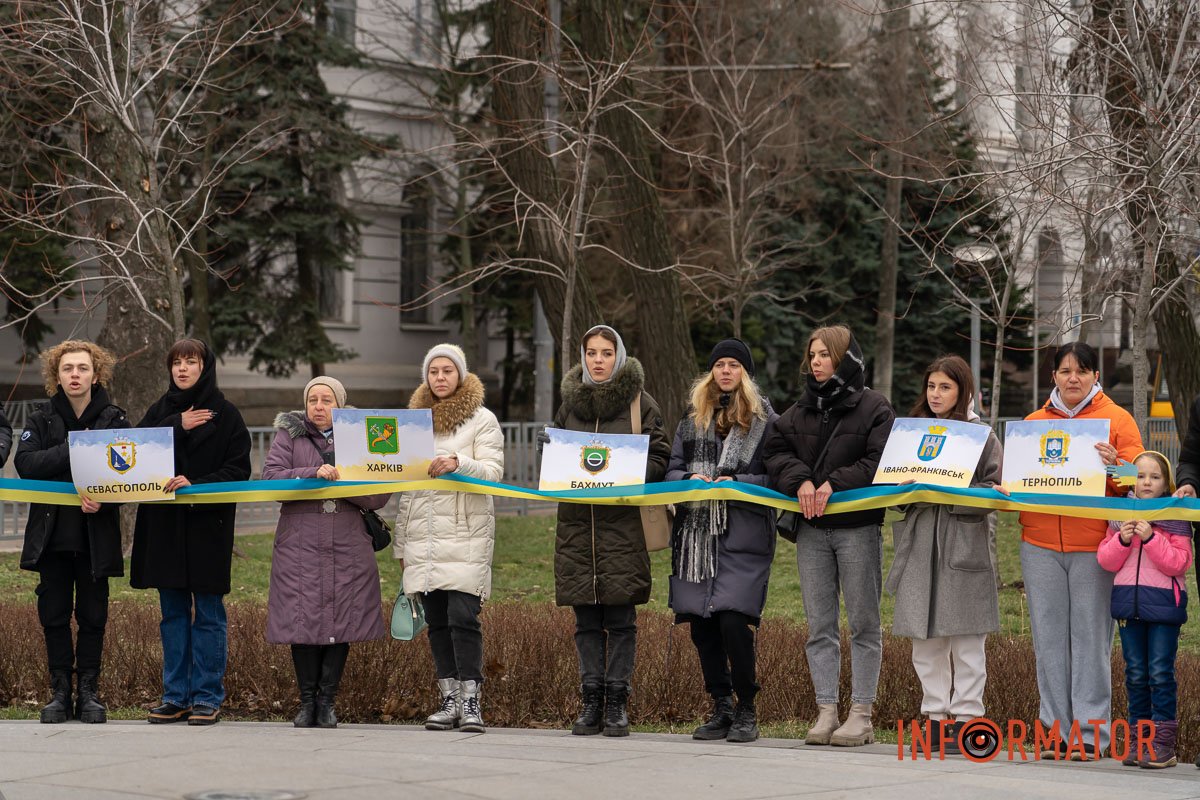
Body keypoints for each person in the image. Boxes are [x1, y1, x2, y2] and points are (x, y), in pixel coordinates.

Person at [763, 325, 895, 747]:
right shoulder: (800, 408)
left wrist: (834, 483)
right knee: (820, 625)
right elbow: (775, 452)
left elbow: (880, 460)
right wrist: (800, 479)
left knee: (863, 623)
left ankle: (861, 713)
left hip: (857, 530)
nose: (816, 362)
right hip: (813, 534)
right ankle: (825, 710)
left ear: (844, 359)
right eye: (813, 355)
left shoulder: (875, 407)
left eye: (824, 355)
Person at [1019, 341, 1142, 759]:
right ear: (1052, 376)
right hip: (1038, 544)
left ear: (1095, 377)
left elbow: (1141, 481)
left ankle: (1091, 736)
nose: (1073, 378)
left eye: (1082, 371)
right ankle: (1054, 732)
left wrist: (1117, 468)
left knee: (1090, 642)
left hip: (1094, 547)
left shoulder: (1117, 419)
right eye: (1065, 371)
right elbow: (1017, 480)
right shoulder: (1033, 423)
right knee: (1048, 641)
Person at [552, 324, 670, 737]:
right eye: (591, 352)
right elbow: (554, 458)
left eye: (605, 352)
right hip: (577, 529)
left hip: (623, 529)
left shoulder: (641, 403)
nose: (597, 360)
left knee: (620, 618)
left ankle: (618, 702)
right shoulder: (569, 405)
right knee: (586, 619)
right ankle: (591, 701)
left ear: (617, 356)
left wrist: (625, 467)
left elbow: (661, 458)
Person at [130, 339, 252, 726]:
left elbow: (238, 470)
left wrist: (195, 484)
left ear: (206, 367)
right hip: (165, 529)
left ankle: (206, 697)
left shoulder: (227, 414)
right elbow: (134, 450)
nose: (182, 369)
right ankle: (175, 696)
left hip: (207, 529)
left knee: (209, 615)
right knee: (173, 615)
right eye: (176, 362)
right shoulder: (160, 411)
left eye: (191, 361)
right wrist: (177, 426)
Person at [885, 355, 1002, 754]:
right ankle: (935, 717)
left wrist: (959, 499)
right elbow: (891, 490)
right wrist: (901, 490)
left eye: (945, 387)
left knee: (967, 638)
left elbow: (995, 489)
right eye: (932, 386)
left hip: (962, 542)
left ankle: (968, 719)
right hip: (920, 543)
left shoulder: (982, 436)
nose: (936, 394)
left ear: (962, 390)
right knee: (925, 637)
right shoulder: (910, 433)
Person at [665, 339, 777, 744]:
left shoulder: (765, 421)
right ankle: (721, 706)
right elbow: (672, 469)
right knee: (701, 626)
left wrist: (738, 483)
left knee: (733, 621)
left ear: (745, 372)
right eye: (719, 365)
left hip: (741, 534)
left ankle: (747, 706)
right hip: (694, 538)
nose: (725, 371)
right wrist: (686, 480)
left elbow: (777, 476)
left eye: (733, 365)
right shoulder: (692, 419)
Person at [264, 376, 392, 728]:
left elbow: (380, 493)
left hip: (347, 541)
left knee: (341, 619)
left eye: (327, 400)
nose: (319, 407)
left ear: (340, 404)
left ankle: (327, 702)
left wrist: (342, 482)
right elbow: (272, 480)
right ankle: (306, 703)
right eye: (313, 400)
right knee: (301, 619)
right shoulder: (288, 435)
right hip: (299, 541)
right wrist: (313, 474)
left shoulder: (363, 437)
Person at [15, 341, 126, 724]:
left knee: (94, 616)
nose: (75, 375)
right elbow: (26, 465)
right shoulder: (41, 418)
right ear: (56, 375)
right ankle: (60, 693)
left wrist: (105, 501)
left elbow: (128, 477)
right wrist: (77, 449)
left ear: (96, 374)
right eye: (67, 369)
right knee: (54, 615)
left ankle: (89, 693)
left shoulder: (115, 420)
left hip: (96, 538)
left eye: (82, 368)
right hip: (52, 538)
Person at [395, 344, 504, 733]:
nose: (440, 378)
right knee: (437, 620)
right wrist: (401, 546)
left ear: (460, 375)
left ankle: (472, 700)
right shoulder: (411, 423)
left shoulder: (482, 419)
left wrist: (460, 464)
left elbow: (493, 472)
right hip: (422, 535)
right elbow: (406, 486)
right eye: (434, 372)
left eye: (448, 371)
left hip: (465, 532)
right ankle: (449, 699)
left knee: (463, 616)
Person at [1097, 451, 1192, 769]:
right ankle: (1140, 741)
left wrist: (1151, 538)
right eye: (1140, 476)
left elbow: (1179, 562)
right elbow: (1106, 561)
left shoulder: (1176, 515)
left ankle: (1163, 746)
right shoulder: (1119, 515)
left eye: (1154, 476)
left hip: (1164, 608)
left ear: (1166, 483)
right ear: (1130, 481)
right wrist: (1121, 541)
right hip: (1128, 607)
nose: (1146, 482)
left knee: (1160, 674)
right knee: (1136, 675)